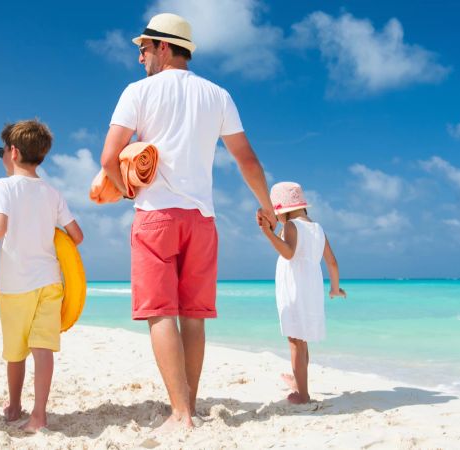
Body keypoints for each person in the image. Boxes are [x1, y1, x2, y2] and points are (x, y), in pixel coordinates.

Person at [99, 13, 275, 431]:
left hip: (155, 216)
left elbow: (109, 158)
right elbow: (246, 159)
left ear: (163, 47)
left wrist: (127, 189)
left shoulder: (137, 92)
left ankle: (179, 413)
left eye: (143, 48)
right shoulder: (218, 95)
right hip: (203, 219)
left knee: (161, 314)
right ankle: (188, 405)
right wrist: (266, 205)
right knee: (193, 315)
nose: (140, 57)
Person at [0, 119, 84, 433]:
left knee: (16, 352)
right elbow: (76, 235)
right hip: (50, 282)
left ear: (14, 152)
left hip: (16, 284)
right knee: (43, 348)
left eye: (1, 151)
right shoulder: (52, 193)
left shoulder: (4, 186)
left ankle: (14, 406)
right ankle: (38, 415)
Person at [257, 182, 346, 404]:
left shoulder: (291, 227)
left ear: (282, 209)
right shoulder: (318, 229)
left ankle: (303, 394)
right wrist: (334, 288)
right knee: (301, 338)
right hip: (312, 288)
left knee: (295, 340)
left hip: (295, 287)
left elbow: (288, 253)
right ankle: (299, 381)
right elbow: (332, 262)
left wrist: (268, 233)